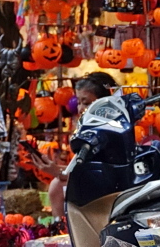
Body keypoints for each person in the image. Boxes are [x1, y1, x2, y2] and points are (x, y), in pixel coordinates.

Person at [31, 72, 116, 218]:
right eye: (79, 102)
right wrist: (56, 170)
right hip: (95, 186)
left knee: (57, 186)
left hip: (111, 191)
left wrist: (57, 171)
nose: (80, 108)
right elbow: (79, 171)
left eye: (87, 102)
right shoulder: (87, 131)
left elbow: (99, 175)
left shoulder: (111, 131)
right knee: (57, 185)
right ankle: (61, 230)